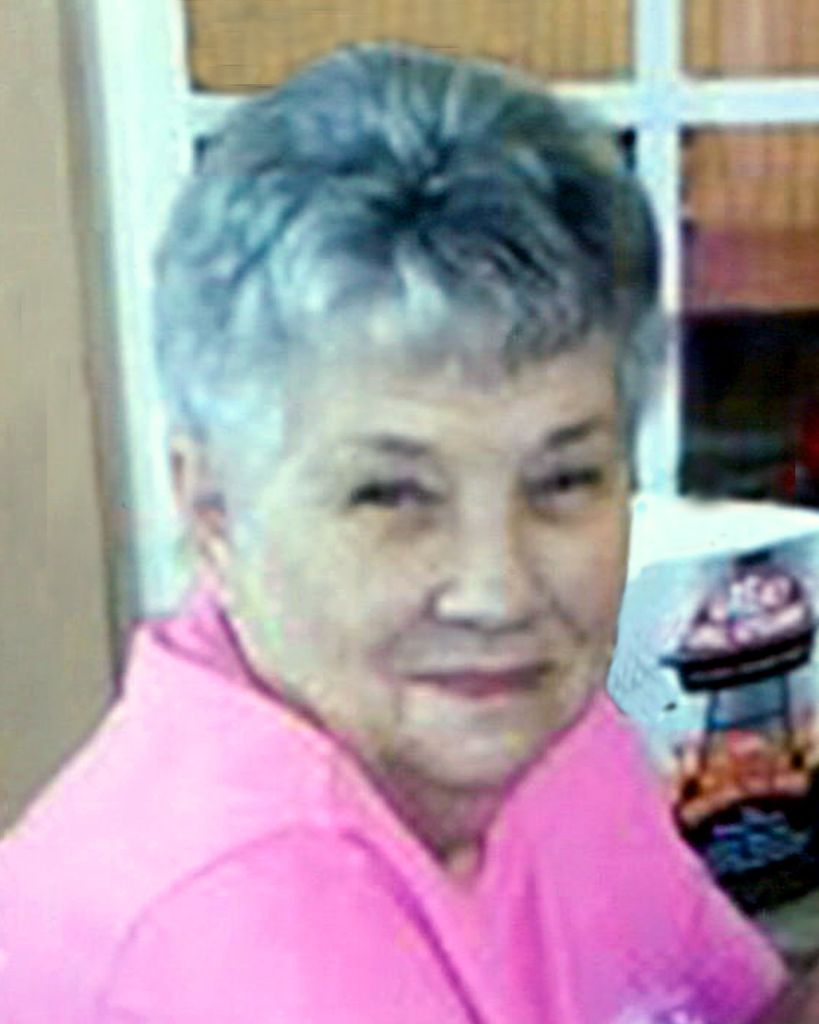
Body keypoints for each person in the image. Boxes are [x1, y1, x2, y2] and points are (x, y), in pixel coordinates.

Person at [0, 41, 804, 1023]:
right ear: (213, 509)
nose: (498, 591)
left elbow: (737, 1005)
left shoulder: (523, 727)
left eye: (563, 480)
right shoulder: (233, 918)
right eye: (391, 495)